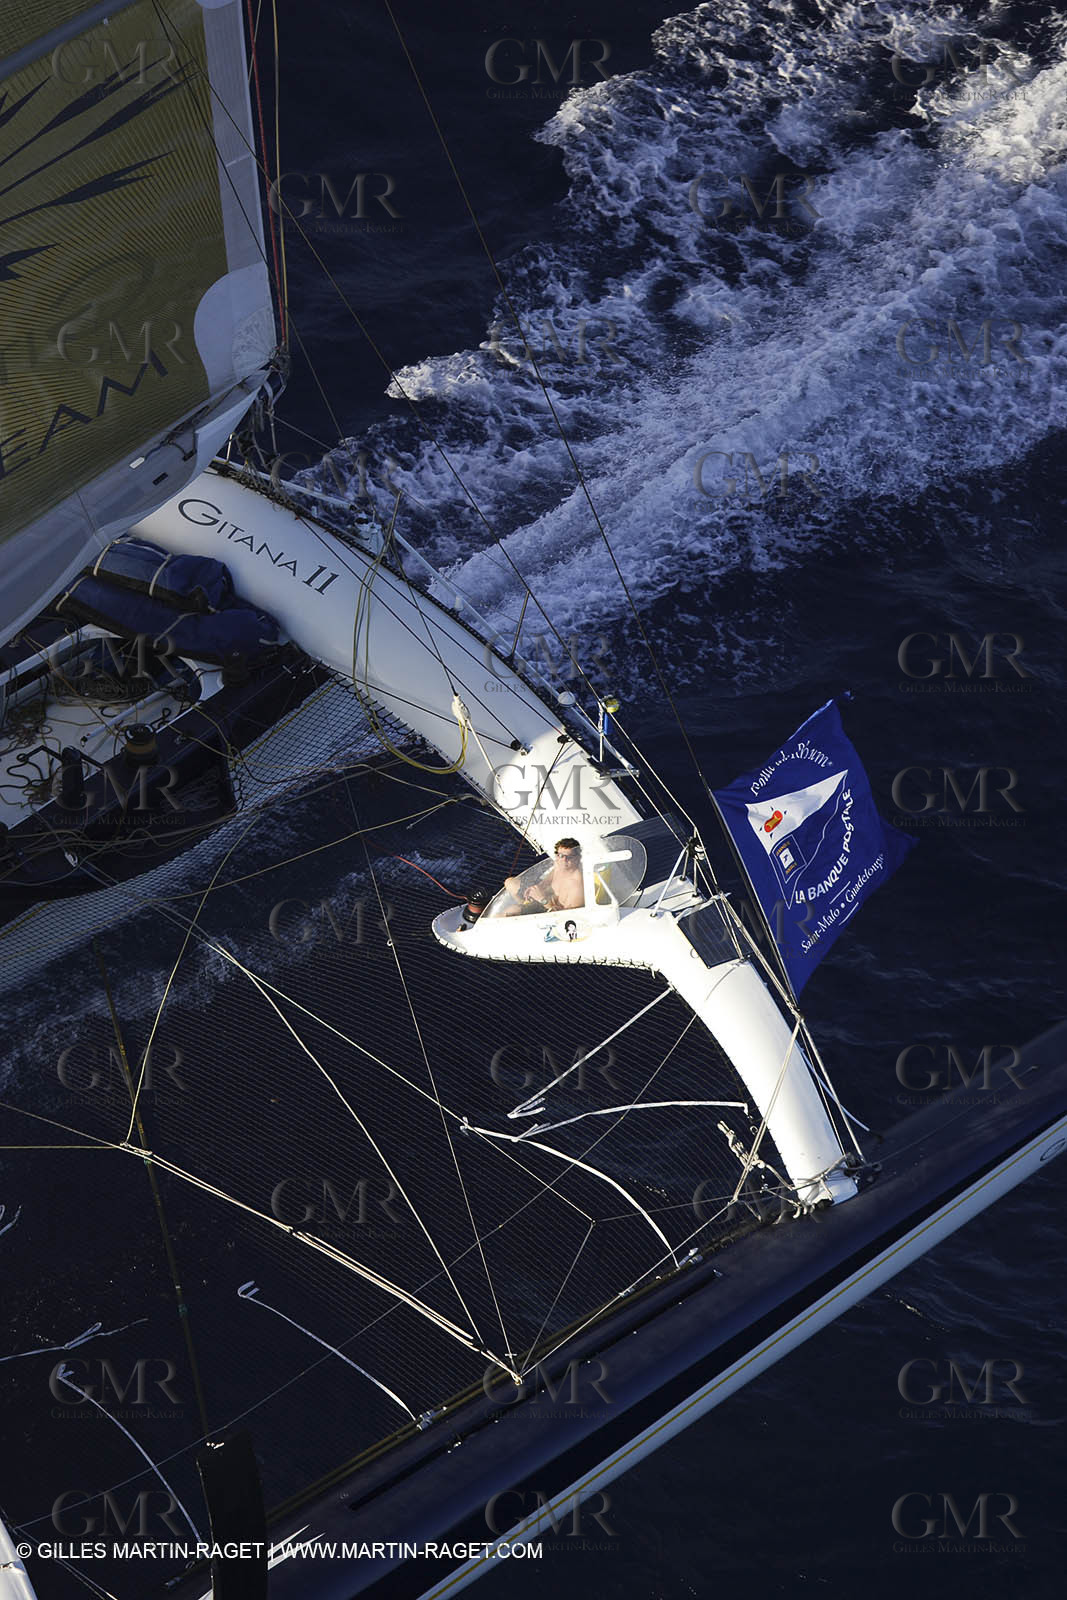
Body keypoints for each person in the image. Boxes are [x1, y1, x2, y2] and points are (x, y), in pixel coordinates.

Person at [503, 837, 585, 914]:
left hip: (549, 911)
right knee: (510, 882)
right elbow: (546, 882)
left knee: (511, 911)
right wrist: (534, 889)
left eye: (569, 857)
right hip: (544, 900)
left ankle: (523, 909)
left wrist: (542, 899)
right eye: (561, 856)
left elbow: (567, 917)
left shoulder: (577, 886)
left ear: (578, 858)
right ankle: (523, 904)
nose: (564, 860)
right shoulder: (559, 867)